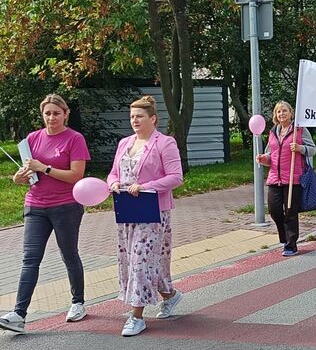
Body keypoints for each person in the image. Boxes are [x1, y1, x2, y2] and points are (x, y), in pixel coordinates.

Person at [0, 95, 91, 335]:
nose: (51, 118)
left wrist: (45, 168)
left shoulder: (75, 139)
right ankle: (19, 315)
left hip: (66, 206)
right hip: (35, 206)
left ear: (66, 114)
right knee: (30, 258)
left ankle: (77, 302)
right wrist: (18, 177)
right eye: (47, 113)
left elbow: (75, 176)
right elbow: (28, 173)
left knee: (69, 254)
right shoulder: (32, 138)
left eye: (56, 113)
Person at [107, 95, 184, 337]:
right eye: (132, 116)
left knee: (141, 260)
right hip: (127, 211)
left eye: (139, 116)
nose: (134, 120)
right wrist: (115, 182)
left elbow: (176, 177)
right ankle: (170, 295)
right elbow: (112, 173)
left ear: (153, 119)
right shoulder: (125, 143)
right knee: (134, 259)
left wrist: (146, 186)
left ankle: (136, 316)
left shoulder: (165, 143)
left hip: (153, 211)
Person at [256, 101, 316, 257]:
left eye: (284, 111)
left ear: (291, 113)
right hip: (275, 178)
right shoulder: (273, 132)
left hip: (293, 178)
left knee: (290, 211)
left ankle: (291, 245)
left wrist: (300, 148)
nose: (281, 114)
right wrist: (264, 159)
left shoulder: (300, 131)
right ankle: (285, 238)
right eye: (278, 112)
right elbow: (271, 155)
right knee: (274, 210)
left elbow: (312, 150)